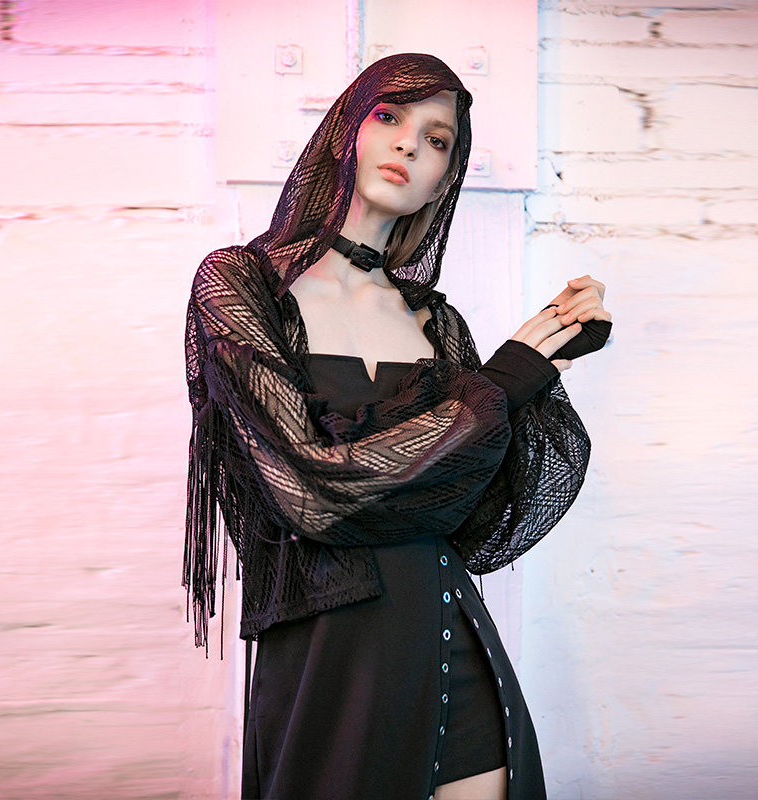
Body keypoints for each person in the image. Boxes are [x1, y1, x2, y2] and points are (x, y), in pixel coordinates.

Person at [183, 53, 612, 800]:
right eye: (390, 116)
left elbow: (476, 521)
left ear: (444, 180)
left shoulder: (437, 324)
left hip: (448, 627)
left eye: (437, 139)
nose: (411, 143)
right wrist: (498, 388)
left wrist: (547, 362)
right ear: (347, 131)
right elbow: (310, 493)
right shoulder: (239, 285)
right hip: (328, 650)